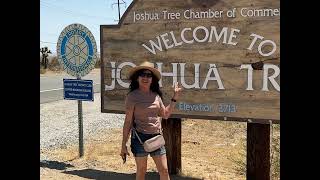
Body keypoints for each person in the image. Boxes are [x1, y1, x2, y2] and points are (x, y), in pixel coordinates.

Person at [120, 61, 182, 180]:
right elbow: (128, 122)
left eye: (149, 75)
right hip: (139, 138)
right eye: (142, 74)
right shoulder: (132, 96)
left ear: (152, 79)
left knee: (164, 171)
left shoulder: (156, 96)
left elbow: (165, 114)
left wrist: (175, 97)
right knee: (142, 172)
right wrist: (123, 144)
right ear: (137, 78)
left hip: (156, 138)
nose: (146, 77)